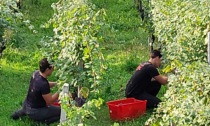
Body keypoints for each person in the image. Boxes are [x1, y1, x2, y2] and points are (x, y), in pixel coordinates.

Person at [11, 58, 61, 125]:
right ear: (47, 69)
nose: (53, 70)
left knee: (28, 108)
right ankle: (44, 121)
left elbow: (45, 85)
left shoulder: (36, 73)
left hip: (26, 104)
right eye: (52, 69)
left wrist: (56, 84)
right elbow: (50, 101)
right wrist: (60, 91)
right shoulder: (43, 84)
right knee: (61, 111)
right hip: (36, 111)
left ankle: (20, 112)